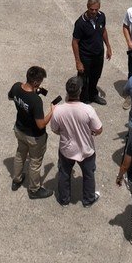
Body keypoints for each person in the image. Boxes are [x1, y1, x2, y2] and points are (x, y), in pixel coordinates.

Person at [49, 74, 104, 207]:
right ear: (80, 91)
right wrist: (91, 132)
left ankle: (64, 199)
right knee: (89, 175)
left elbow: (54, 129)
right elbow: (99, 129)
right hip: (86, 150)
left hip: (66, 150)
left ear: (67, 91)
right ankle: (88, 199)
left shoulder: (58, 110)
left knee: (64, 174)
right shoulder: (88, 110)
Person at [8, 66, 54, 197]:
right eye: (40, 82)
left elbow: (10, 97)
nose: (40, 84)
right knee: (35, 161)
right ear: (35, 82)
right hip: (34, 137)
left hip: (19, 129)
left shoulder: (16, 86)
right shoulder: (36, 101)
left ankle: (16, 179)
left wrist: (26, 100)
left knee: (20, 154)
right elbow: (40, 124)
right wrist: (52, 111)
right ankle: (34, 190)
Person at [71, 0, 111, 105]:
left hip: (98, 54)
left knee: (96, 76)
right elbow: (75, 42)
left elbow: (103, 31)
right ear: (87, 6)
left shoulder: (101, 16)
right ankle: (82, 100)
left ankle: (93, 95)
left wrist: (108, 46)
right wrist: (78, 62)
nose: (94, 12)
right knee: (83, 79)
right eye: (91, 9)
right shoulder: (80, 23)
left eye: (96, 9)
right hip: (86, 56)